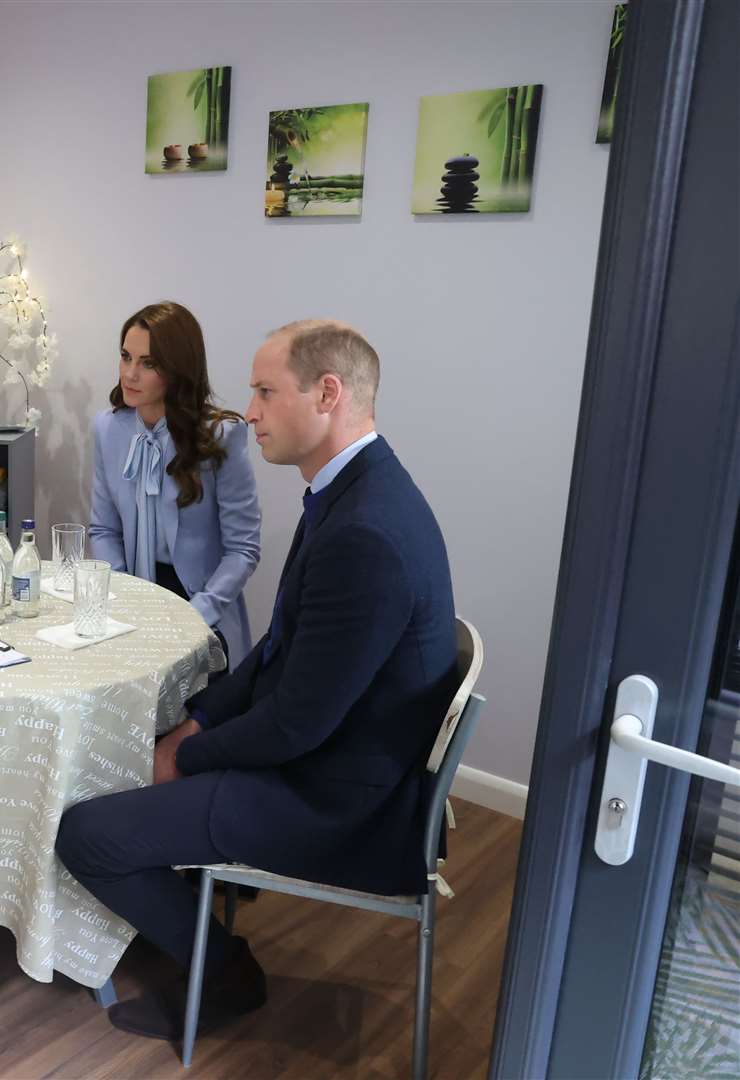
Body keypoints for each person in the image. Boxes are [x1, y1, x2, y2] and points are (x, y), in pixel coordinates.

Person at [56, 320, 459, 1042]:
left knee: (84, 834)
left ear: (328, 393)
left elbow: (297, 724)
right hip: (330, 760)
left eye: (266, 392)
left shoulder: (366, 530)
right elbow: (279, 650)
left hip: (337, 799)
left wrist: (185, 754)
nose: (251, 411)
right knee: (149, 740)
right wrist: (200, 721)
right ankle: (173, 909)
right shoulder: (354, 491)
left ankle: (224, 972)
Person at [90, 301, 261, 661]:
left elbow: (243, 550)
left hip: (200, 606)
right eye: (126, 357)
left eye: (148, 363)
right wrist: (123, 598)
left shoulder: (221, 435)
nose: (130, 374)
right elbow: (103, 530)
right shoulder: (107, 428)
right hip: (131, 596)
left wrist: (195, 615)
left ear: (177, 369)